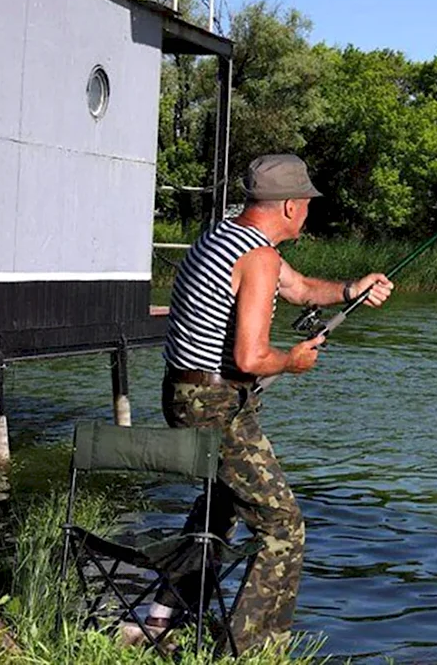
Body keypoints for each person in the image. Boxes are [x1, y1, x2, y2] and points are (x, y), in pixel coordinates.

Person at [131, 154, 393, 651]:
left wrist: (350, 289)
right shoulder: (259, 256)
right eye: (308, 203)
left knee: (219, 510)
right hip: (214, 403)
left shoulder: (222, 238)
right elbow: (249, 356)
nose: (309, 211)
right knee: (283, 524)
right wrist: (293, 361)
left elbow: (296, 289)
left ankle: (161, 618)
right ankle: (249, 649)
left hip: (182, 394)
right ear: (291, 206)